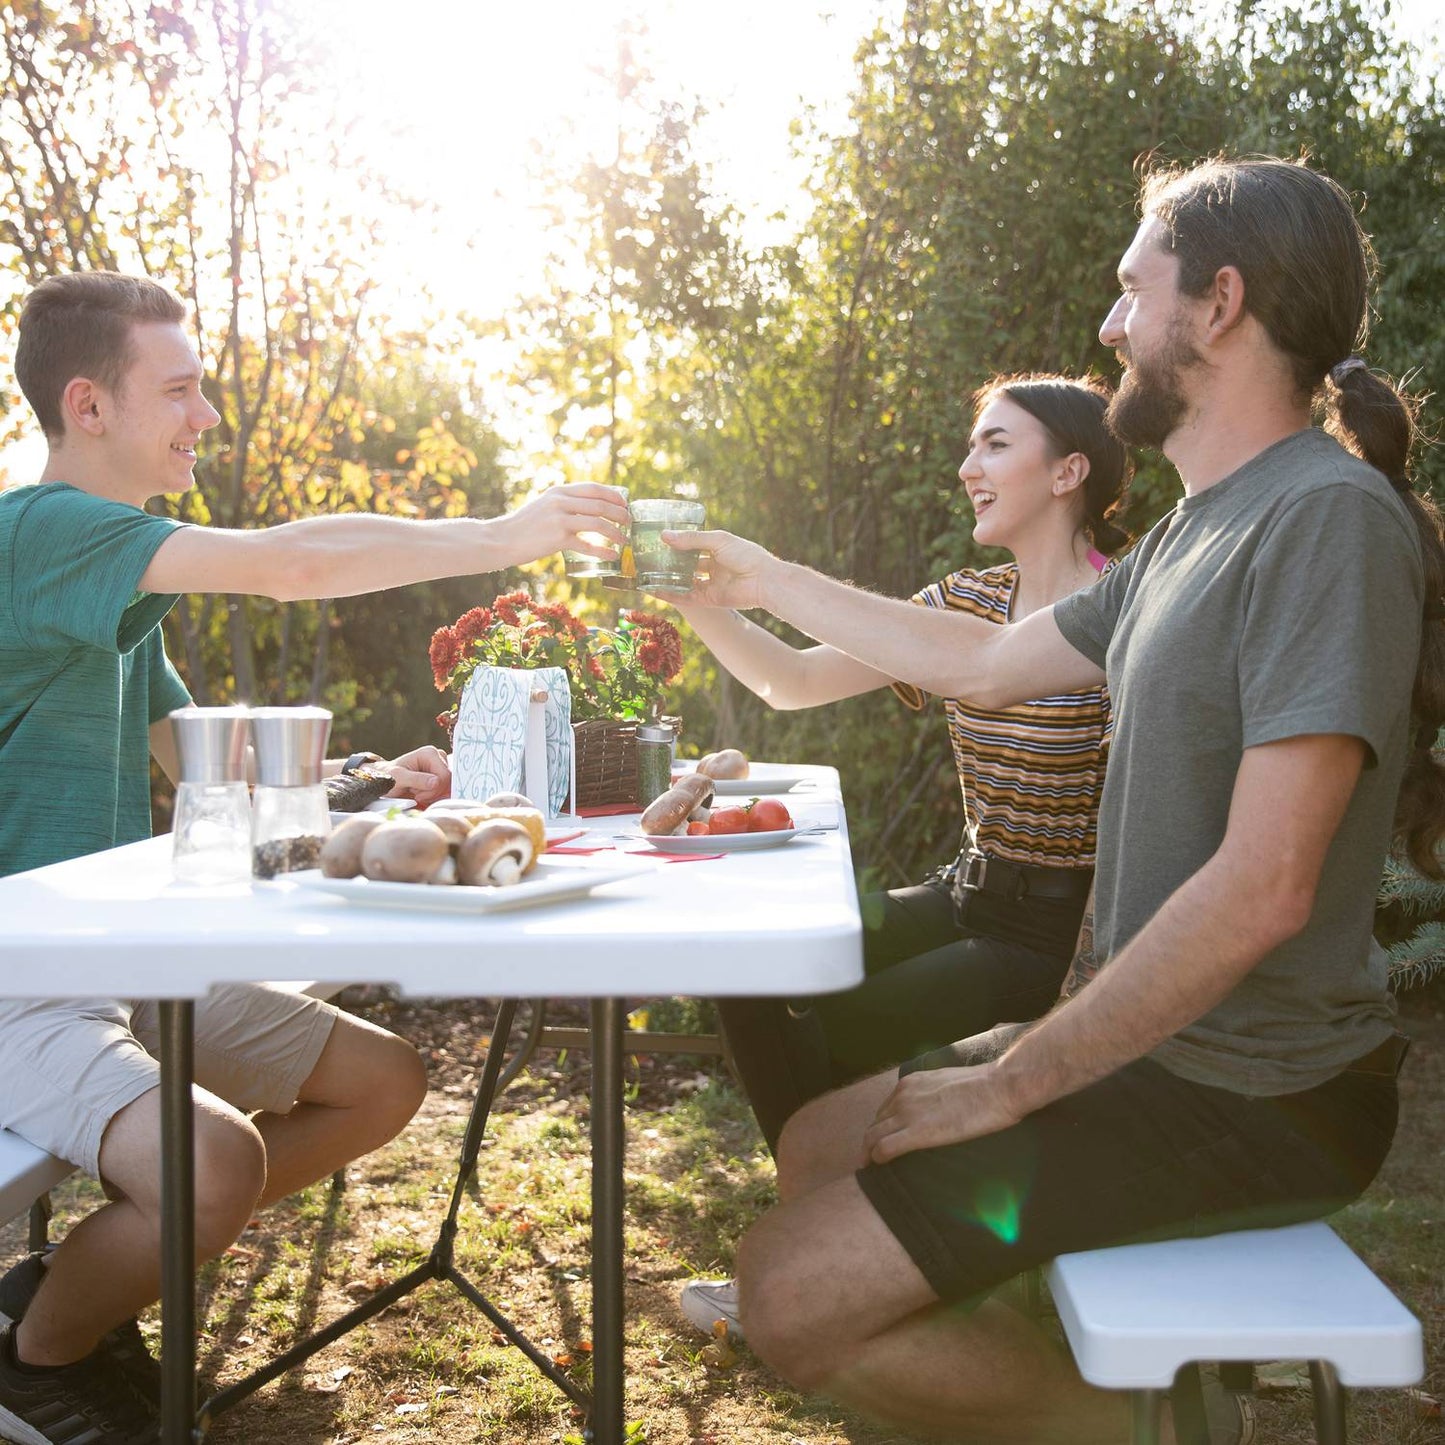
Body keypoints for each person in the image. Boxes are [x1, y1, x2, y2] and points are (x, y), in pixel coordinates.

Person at [665, 155, 1443, 1444]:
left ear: (1217, 303)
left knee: (784, 1297)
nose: (1107, 325)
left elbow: (1265, 888)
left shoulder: (1323, 520)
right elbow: (971, 659)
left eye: (1130, 291)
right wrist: (756, 572)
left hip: (1260, 1092)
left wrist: (1010, 1080)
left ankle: (1142, 1429)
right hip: (1152, 1051)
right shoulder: (1190, 532)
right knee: (814, 1146)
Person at [0, 270, 629, 1445]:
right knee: (216, 1167)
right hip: (17, 976)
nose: (205, 416)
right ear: (88, 405)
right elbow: (294, 562)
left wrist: (364, 786)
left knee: (383, 1082)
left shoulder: (113, 590)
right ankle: (36, 1356)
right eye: (180, 389)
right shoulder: (39, 535)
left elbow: (203, 768)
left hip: (116, 958)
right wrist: (500, 536)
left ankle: (76, 1291)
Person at [673, 374, 1130, 1340]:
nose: (968, 467)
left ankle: (841, 1265)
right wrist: (697, 601)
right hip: (966, 891)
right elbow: (792, 681)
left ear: (1070, 470)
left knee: (846, 1029)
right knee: (752, 968)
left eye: (996, 445)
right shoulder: (968, 597)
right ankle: (828, 1242)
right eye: (973, 446)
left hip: (1056, 930)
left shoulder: (1123, 612)